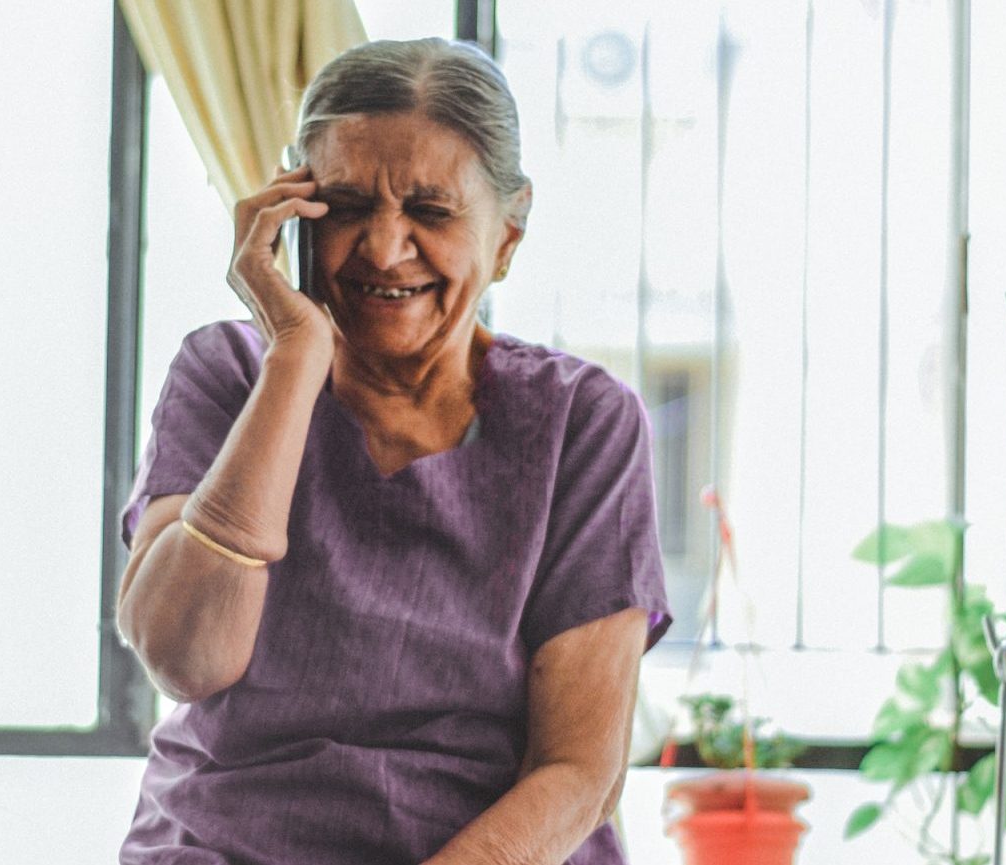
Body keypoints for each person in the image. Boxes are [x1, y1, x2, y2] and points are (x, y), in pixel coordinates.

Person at [116, 37, 671, 865]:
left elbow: (577, 769)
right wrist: (294, 362)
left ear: (508, 233)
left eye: (430, 211)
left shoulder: (582, 422)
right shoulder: (227, 373)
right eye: (343, 206)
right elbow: (185, 658)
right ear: (292, 207)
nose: (382, 248)